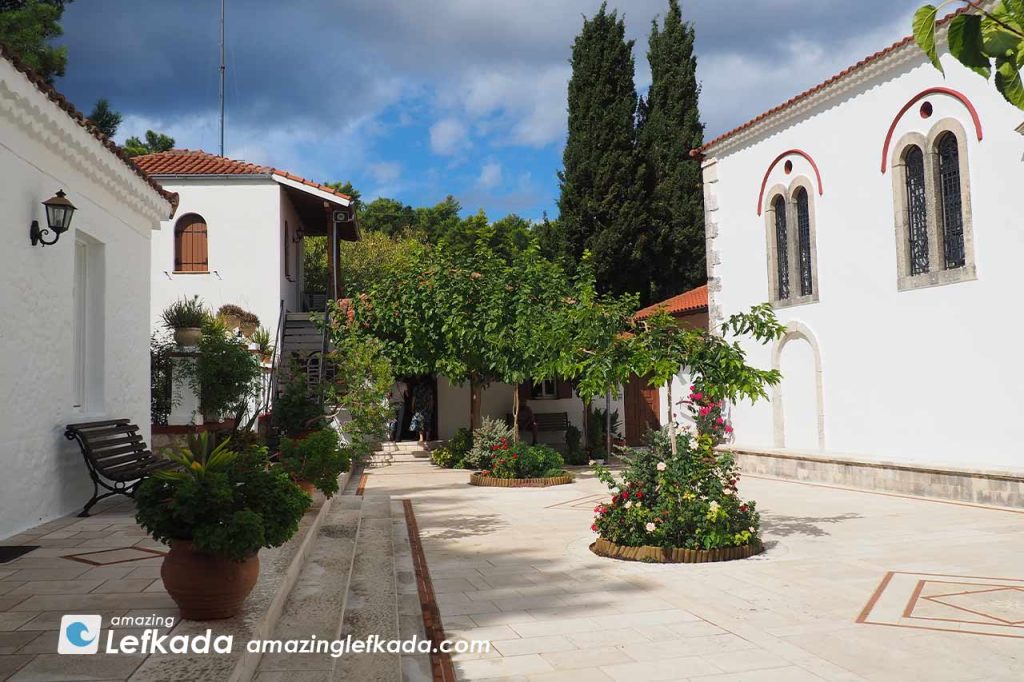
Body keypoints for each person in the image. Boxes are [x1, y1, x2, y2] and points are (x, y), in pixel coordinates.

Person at [409, 380, 434, 445]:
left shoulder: (416, 388)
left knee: (420, 422)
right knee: (427, 421)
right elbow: (431, 398)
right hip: (427, 407)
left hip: (418, 407)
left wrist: (412, 407)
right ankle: (428, 437)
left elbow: (413, 398)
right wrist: (431, 406)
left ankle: (421, 438)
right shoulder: (429, 388)